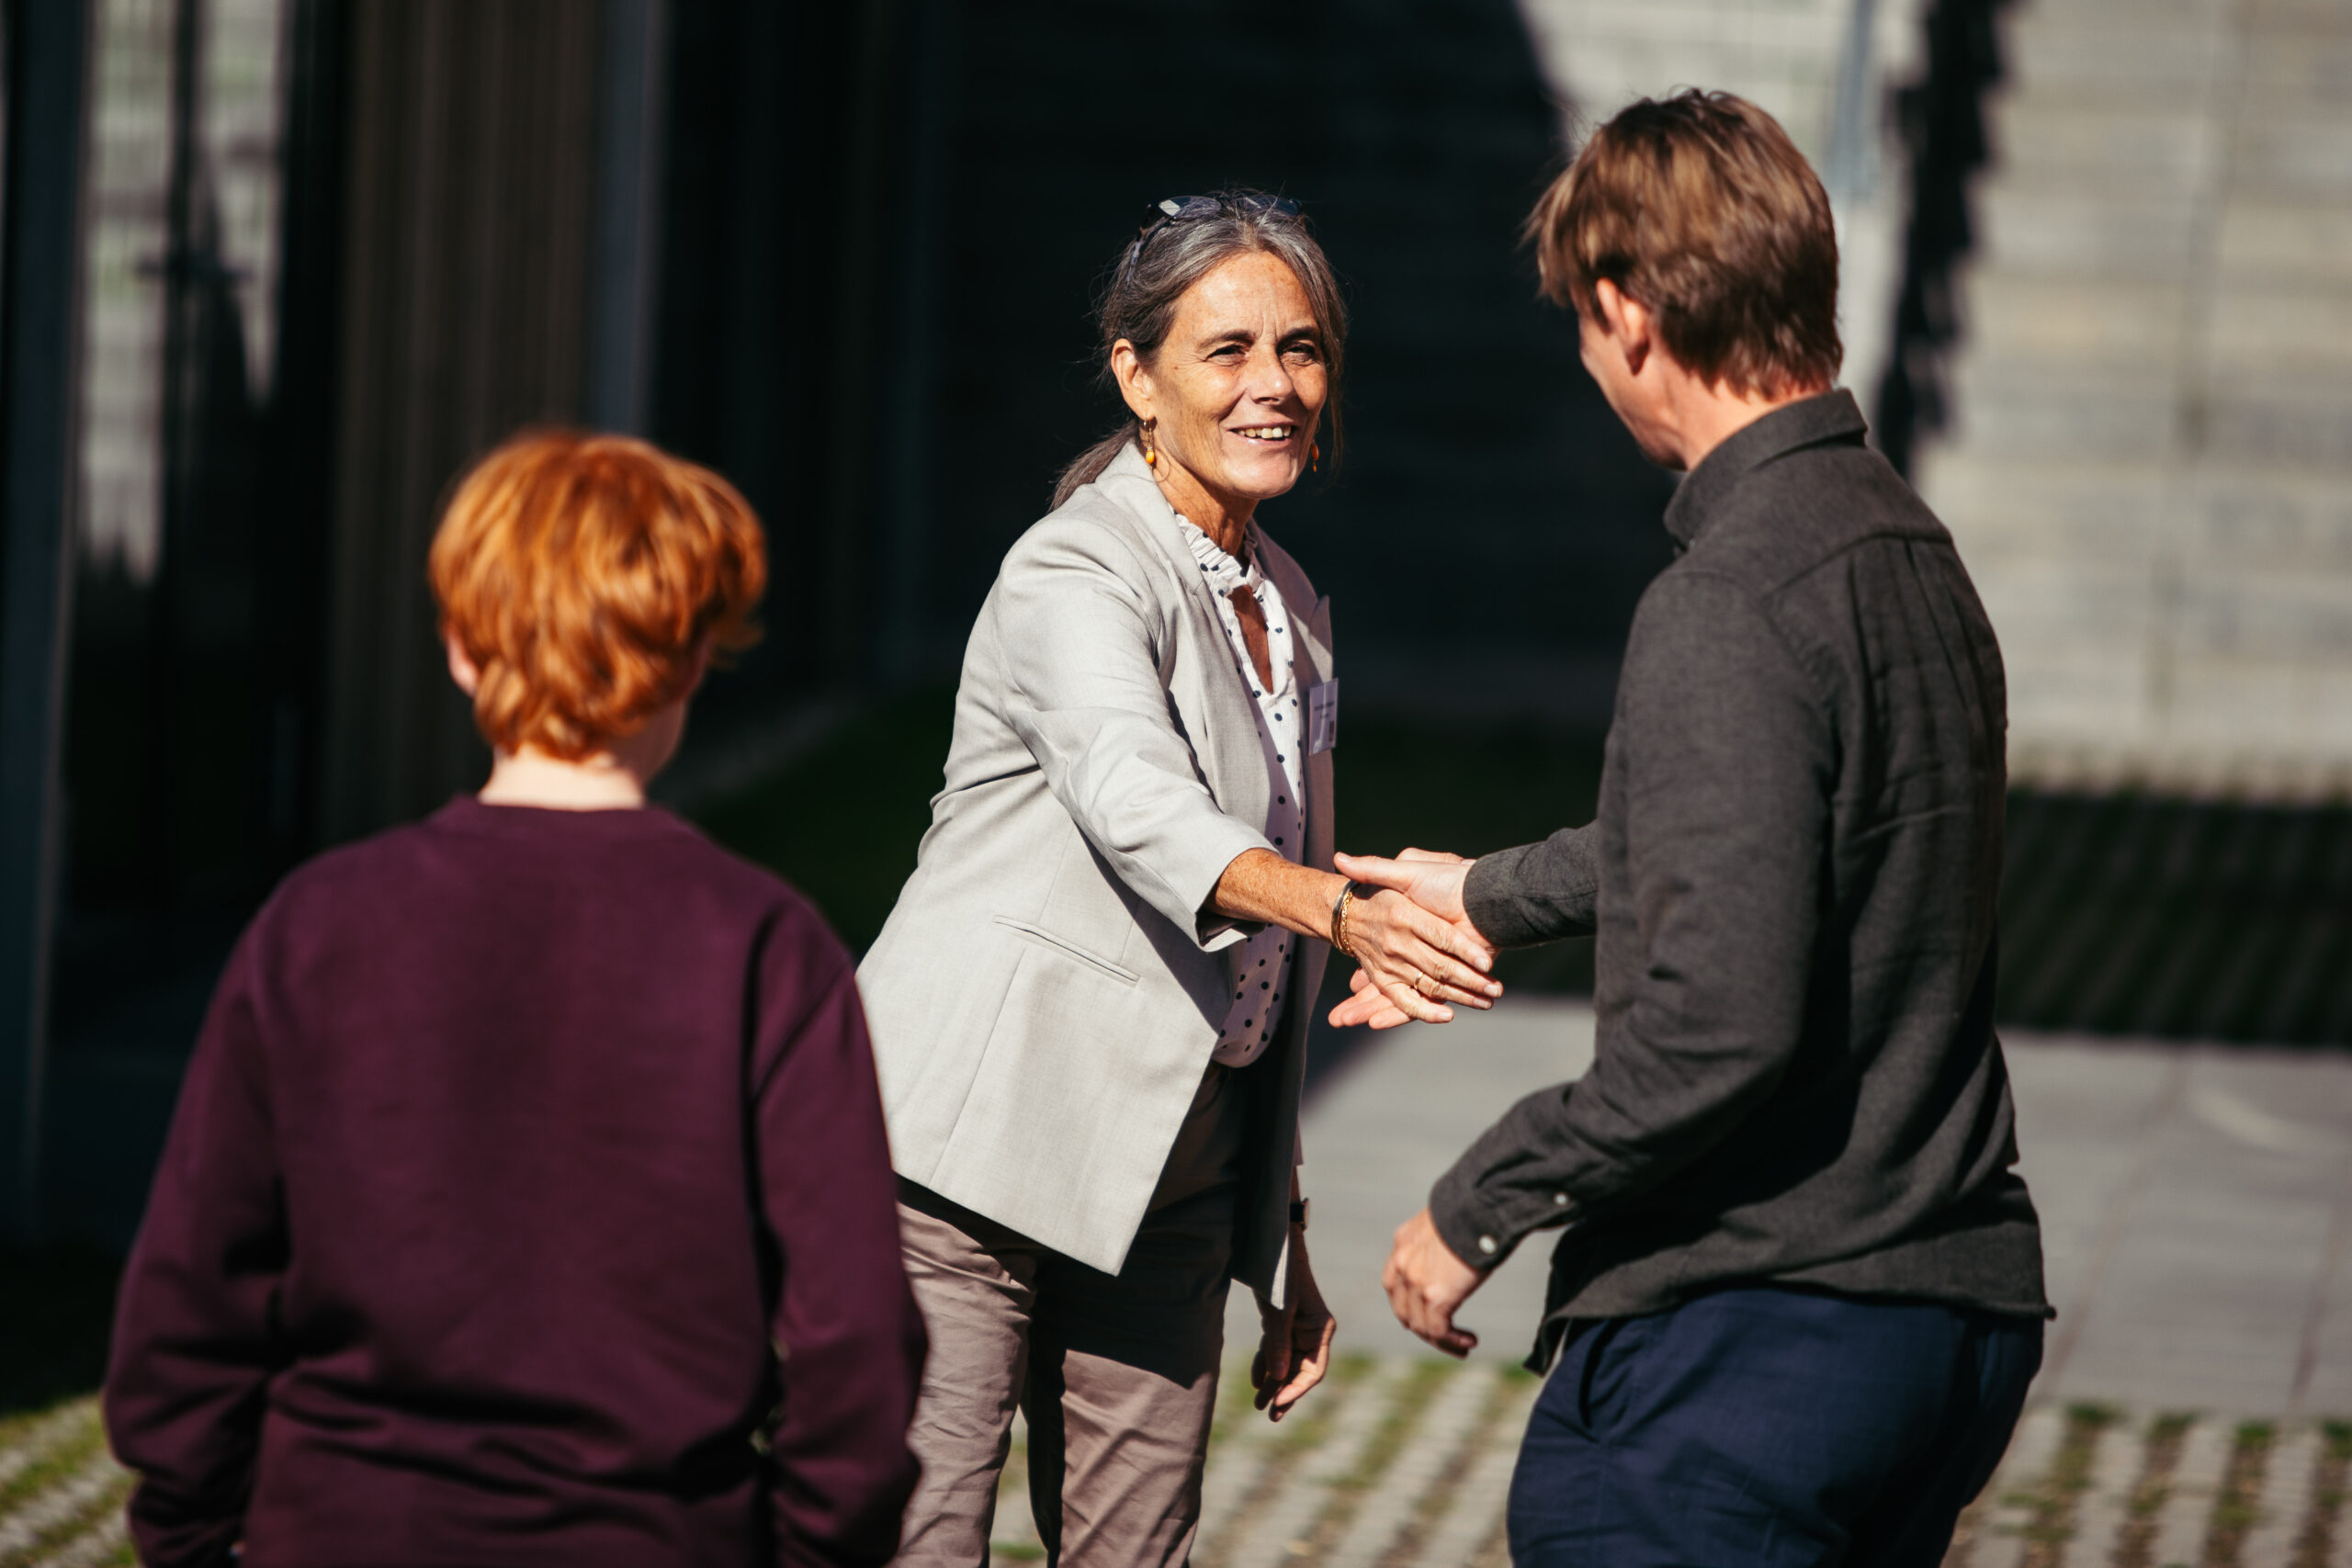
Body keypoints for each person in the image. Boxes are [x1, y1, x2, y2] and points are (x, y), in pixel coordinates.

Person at [1334, 93, 2051, 1565]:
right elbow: (1772, 831)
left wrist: (1479, 1200)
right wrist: (1485, 890)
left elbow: (1717, 1025)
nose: (1593, 364)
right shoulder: (1910, 551)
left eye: (1583, 330)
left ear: (1630, 313)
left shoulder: (1724, 601)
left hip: (1757, 1340)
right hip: (1941, 1325)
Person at [104, 431, 927, 1568]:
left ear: (457, 645)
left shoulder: (318, 924)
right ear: (692, 660)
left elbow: (194, 1291)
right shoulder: (765, 948)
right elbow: (856, 1344)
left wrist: (188, 1536)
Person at [857, 190, 1500, 1568]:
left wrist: (1282, 1222)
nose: (1275, 383)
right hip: (967, 1163)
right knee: (915, 1539)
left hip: (1172, 1175)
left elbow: (1258, 976)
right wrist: (1342, 906)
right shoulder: (1074, 568)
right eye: (1230, 350)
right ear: (1135, 373)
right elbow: (1137, 799)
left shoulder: (1293, 603)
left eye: (1304, 347)